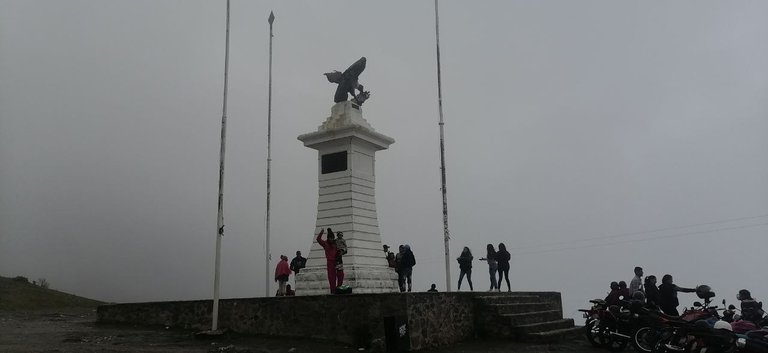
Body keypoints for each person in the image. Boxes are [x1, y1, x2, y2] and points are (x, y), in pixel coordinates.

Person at [316, 228, 340, 294]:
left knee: (338, 275)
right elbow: (318, 239)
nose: (331, 239)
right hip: (330, 262)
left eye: (332, 238)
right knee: (331, 277)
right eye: (330, 238)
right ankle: (332, 290)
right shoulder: (325, 243)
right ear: (328, 238)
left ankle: (337, 288)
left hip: (336, 262)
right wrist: (321, 232)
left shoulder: (335, 244)